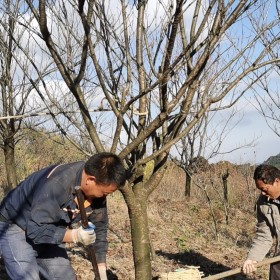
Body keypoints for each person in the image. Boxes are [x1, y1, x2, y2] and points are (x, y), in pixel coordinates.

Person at [0, 152, 126, 280]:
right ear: (90, 180)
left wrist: (101, 269)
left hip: (50, 228)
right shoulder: (57, 183)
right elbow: (36, 230)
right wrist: (74, 235)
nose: (104, 197)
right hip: (16, 226)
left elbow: (99, 228)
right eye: (104, 193)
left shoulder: (96, 193)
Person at [242, 164, 280, 280]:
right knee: (276, 270)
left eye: (264, 189)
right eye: (260, 190)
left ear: (277, 181)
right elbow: (264, 235)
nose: (262, 193)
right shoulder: (263, 202)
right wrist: (252, 258)